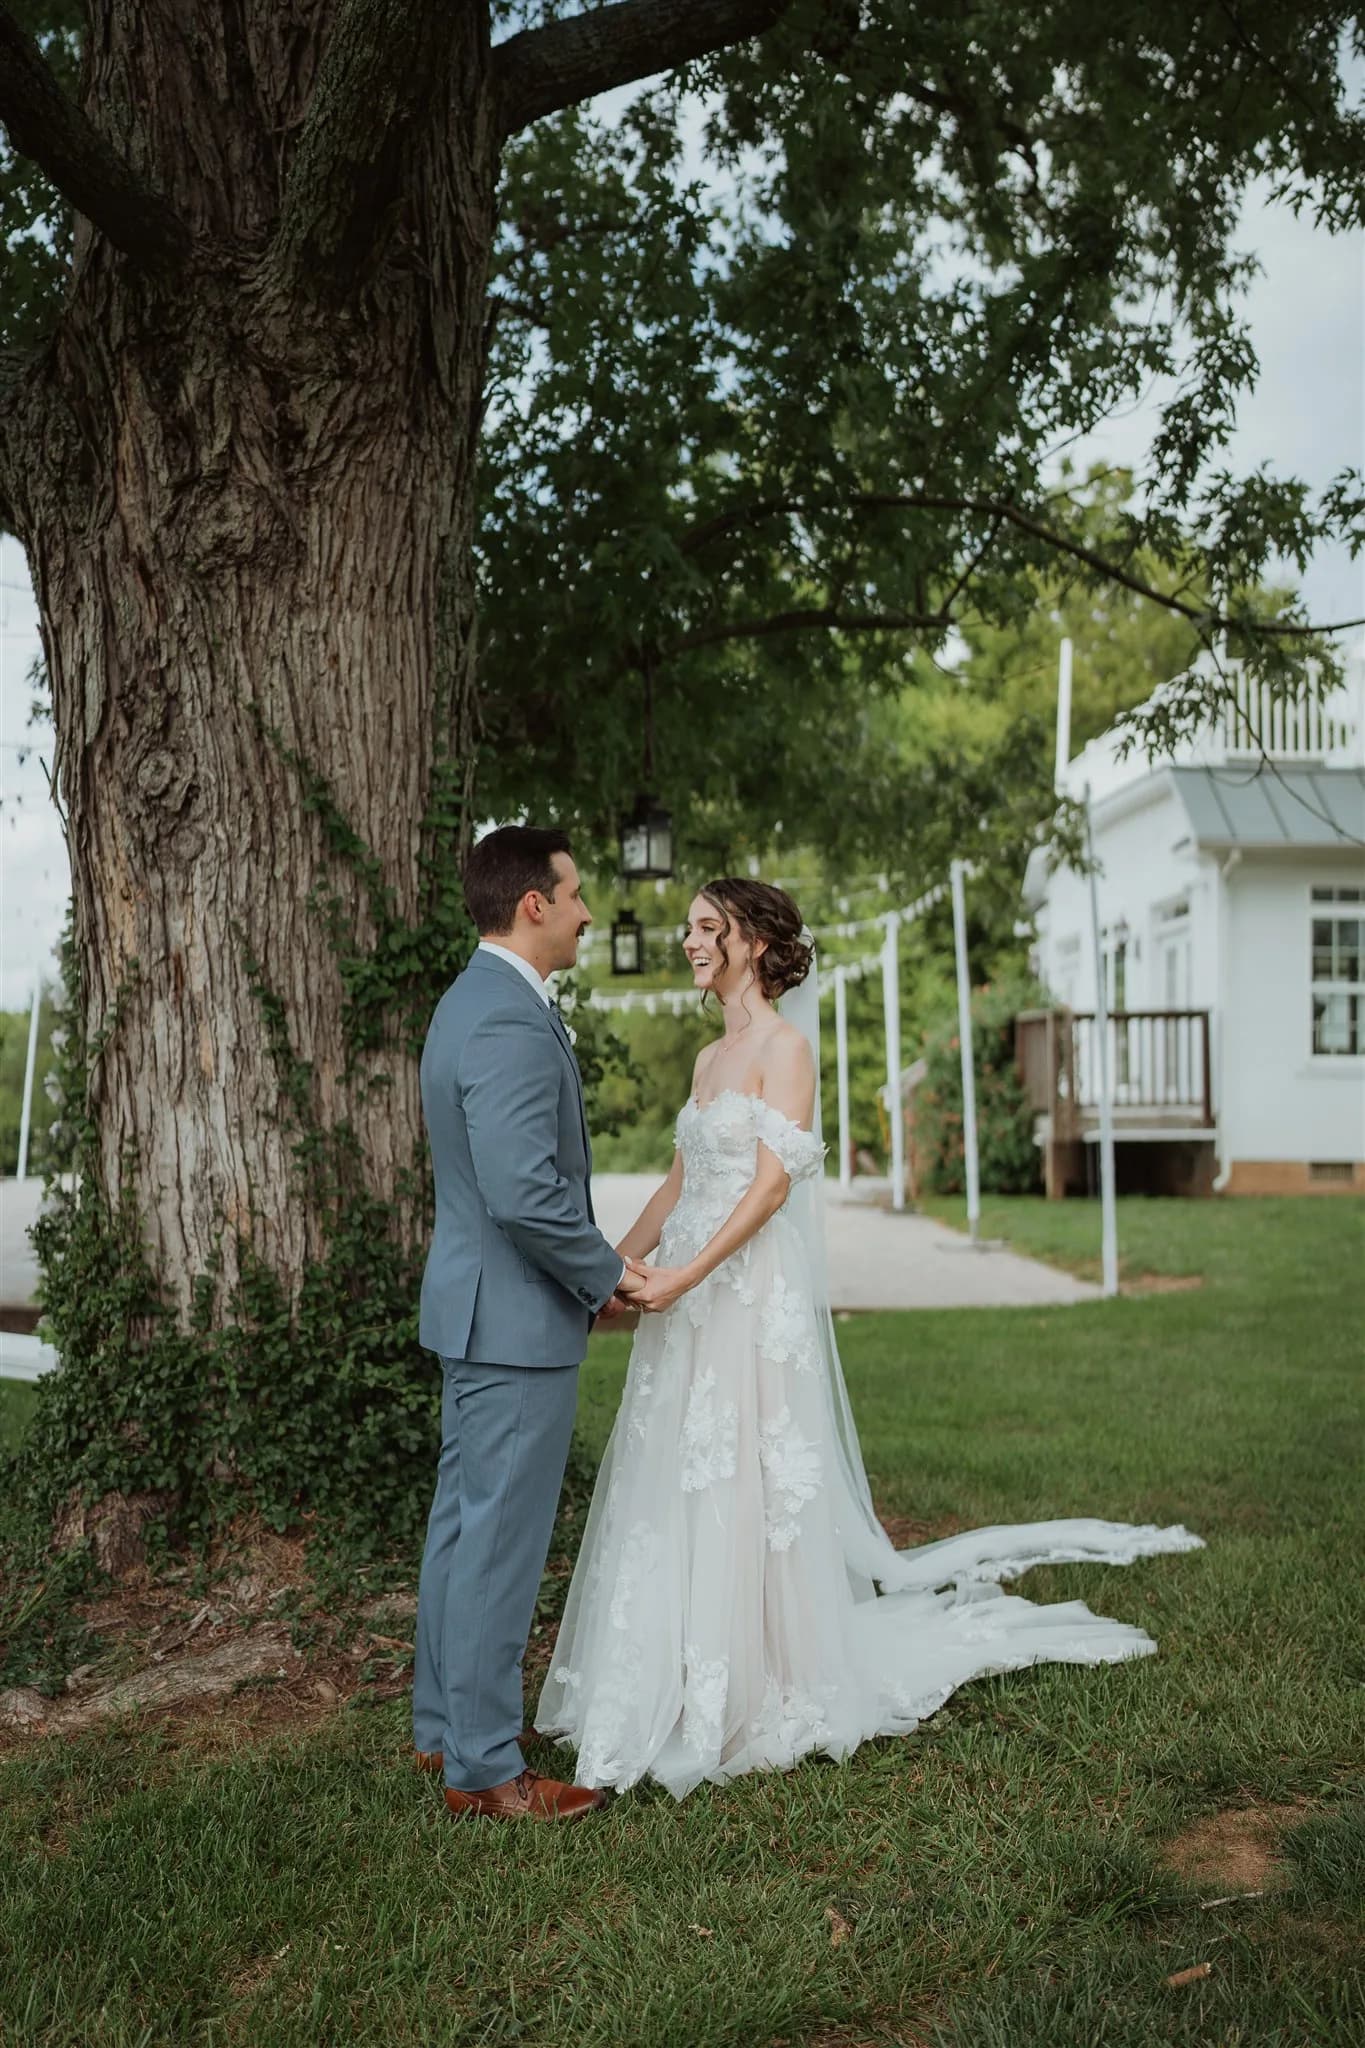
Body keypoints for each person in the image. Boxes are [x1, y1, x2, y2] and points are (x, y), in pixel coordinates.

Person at [536, 877, 1204, 1799]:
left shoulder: (785, 1049)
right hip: (685, 1297)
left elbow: (769, 1191)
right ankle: (676, 1671)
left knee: (746, 1475)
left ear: (756, 942)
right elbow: (678, 1185)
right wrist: (615, 1269)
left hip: (737, 1292)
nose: (687, 941)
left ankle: (760, 1676)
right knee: (678, 1472)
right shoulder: (706, 1059)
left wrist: (688, 1275)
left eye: (704, 927)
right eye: (688, 927)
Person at [412, 824, 647, 1823]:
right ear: (534, 903)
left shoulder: (475, 1000)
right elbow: (524, 1191)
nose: (590, 910)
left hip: (481, 1316)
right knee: (498, 1542)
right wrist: (605, 1272)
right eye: (578, 892)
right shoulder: (506, 1017)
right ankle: (485, 1767)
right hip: (513, 1322)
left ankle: (447, 1728)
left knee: (465, 1531)